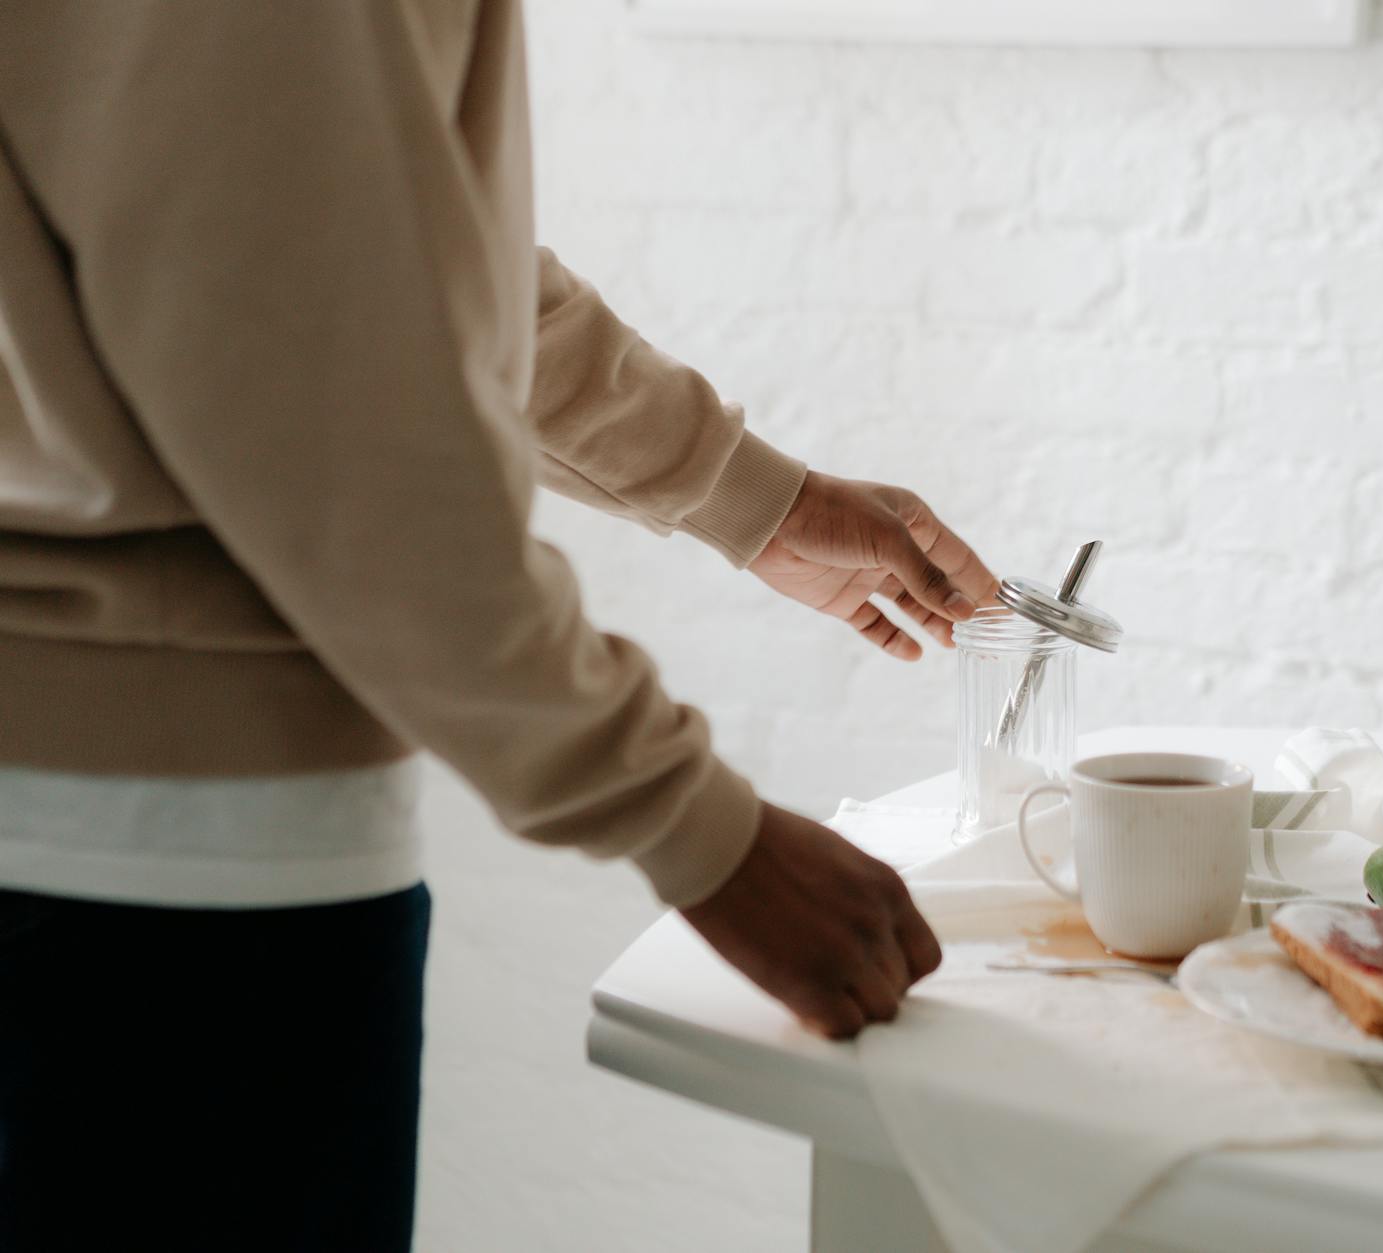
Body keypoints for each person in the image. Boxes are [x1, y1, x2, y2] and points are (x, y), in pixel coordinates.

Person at [0, 4, 995, 1249]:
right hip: (146, 882)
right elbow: (343, 417)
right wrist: (701, 831)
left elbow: (369, 245)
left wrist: (759, 499)